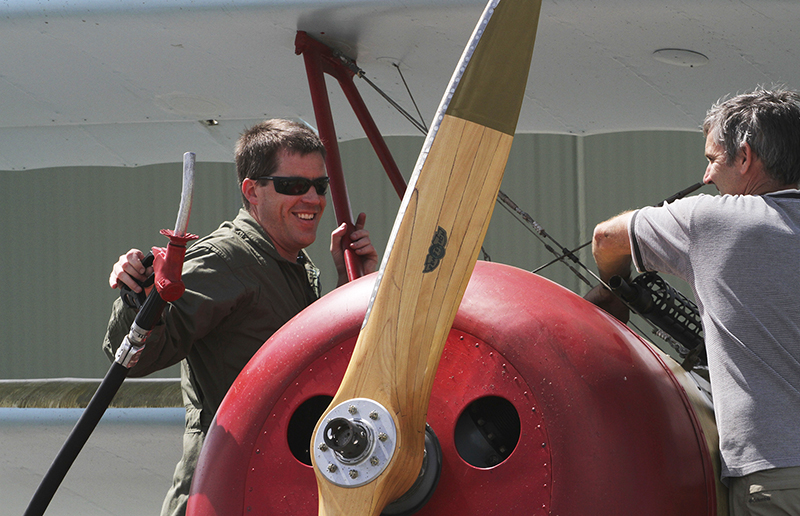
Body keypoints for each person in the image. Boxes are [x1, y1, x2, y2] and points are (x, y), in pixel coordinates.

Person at [102, 119, 378, 516]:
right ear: (252, 190)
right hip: (226, 494)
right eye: (293, 186)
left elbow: (310, 369)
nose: (313, 199)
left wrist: (350, 283)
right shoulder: (225, 259)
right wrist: (137, 297)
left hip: (272, 489)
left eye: (320, 186)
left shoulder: (287, 263)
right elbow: (132, 357)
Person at [588, 87, 800, 515]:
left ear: (744, 157)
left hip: (776, 477)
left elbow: (605, 238)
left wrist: (614, 288)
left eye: (712, 159)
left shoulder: (711, 219)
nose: (706, 178)